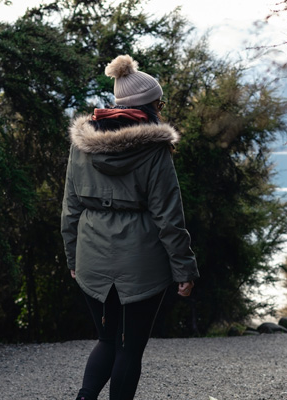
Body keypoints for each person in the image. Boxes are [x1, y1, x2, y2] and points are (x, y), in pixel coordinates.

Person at [61, 54, 199, 400]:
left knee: (107, 339)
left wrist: (72, 258)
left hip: (91, 256)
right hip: (141, 260)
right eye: (159, 101)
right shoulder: (155, 150)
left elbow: (71, 208)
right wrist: (183, 268)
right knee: (130, 347)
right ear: (151, 105)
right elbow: (168, 216)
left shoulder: (82, 145)